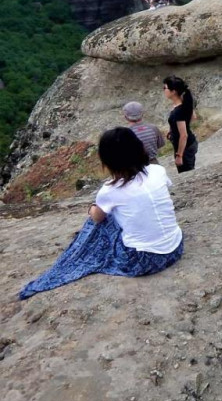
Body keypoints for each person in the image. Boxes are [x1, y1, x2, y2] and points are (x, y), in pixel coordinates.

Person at [19, 127, 183, 299]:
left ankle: (78, 255)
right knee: (122, 211)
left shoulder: (110, 190)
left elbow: (97, 218)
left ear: (108, 161)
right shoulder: (158, 171)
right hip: (176, 247)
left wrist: (91, 208)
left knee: (99, 218)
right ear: (139, 149)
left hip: (144, 261)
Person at [164, 76, 198, 173]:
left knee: (186, 172)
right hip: (188, 144)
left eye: (165, 88)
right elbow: (193, 117)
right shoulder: (182, 105)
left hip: (185, 147)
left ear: (173, 91)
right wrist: (173, 129)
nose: (164, 90)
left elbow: (183, 135)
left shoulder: (179, 111)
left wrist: (179, 156)